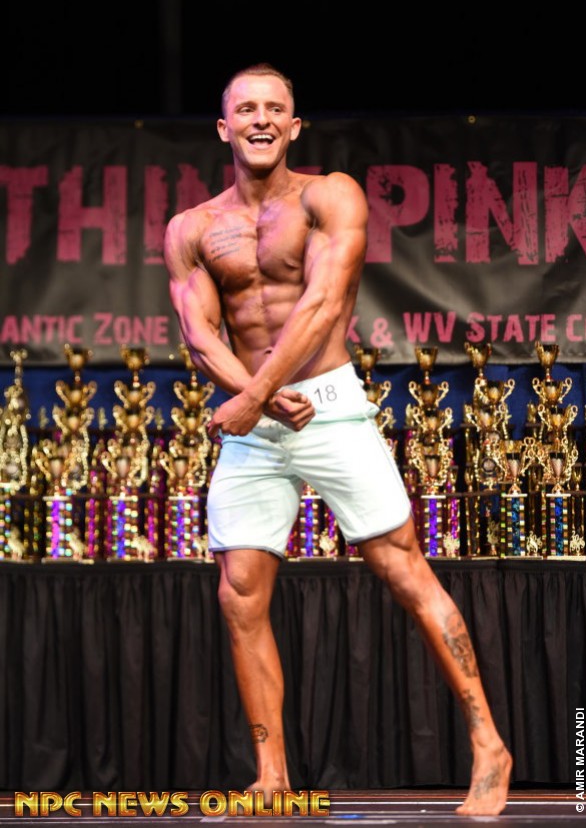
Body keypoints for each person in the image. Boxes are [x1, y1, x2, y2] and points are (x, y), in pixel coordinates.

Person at [163, 63, 512, 816]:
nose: (260, 119)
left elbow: (322, 305)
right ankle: (272, 775)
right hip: (255, 417)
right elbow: (200, 332)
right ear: (224, 128)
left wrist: (253, 395)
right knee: (239, 593)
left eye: (274, 109)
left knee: (403, 570)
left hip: (326, 405)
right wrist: (254, 397)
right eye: (245, 109)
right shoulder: (190, 228)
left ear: (294, 127)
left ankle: (489, 743)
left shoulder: (330, 196)